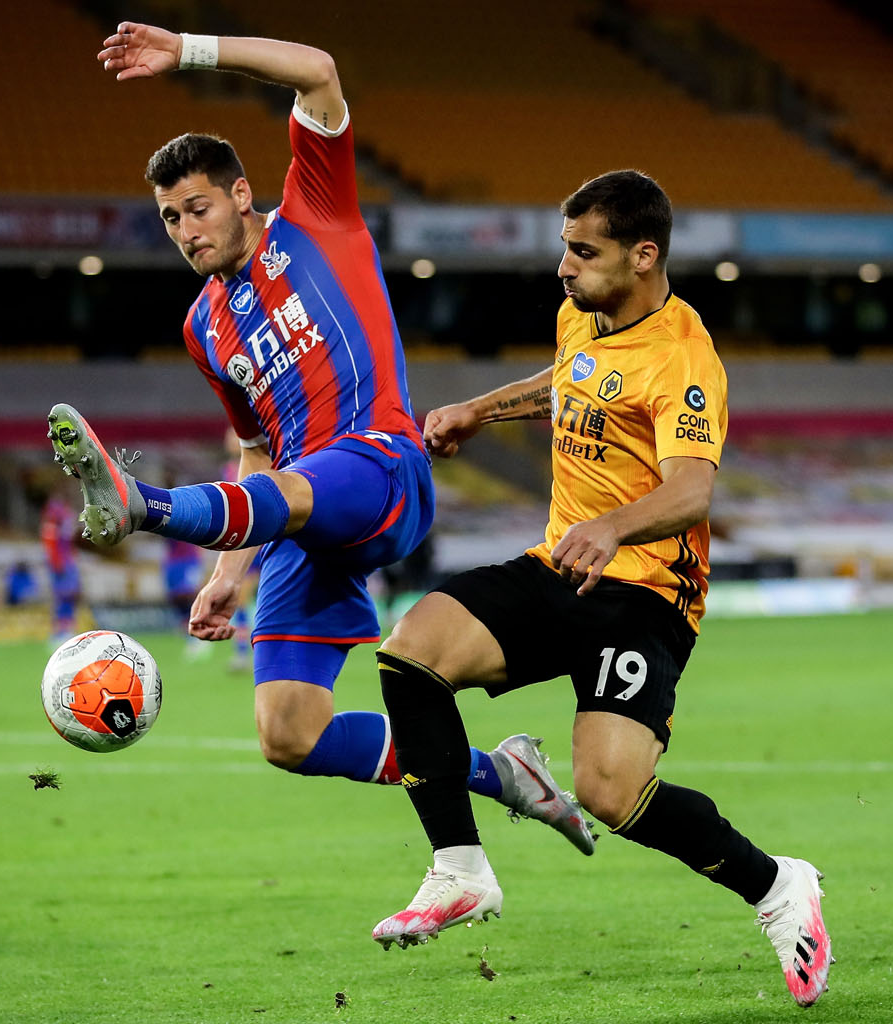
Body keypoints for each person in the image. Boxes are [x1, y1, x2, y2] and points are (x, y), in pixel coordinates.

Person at [44, 23, 592, 855]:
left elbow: (319, 71)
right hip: (301, 507)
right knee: (289, 733)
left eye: (197, 207)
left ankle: (140, 504)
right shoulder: (205, 327)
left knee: (296, 491)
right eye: (168, 220)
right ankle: (507, 774)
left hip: (380, 466)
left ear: (240, 194)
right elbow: (258, 449)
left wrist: (187, 51)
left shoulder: (317, 216)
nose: (186, 230)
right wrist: (230, 575)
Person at [368, 171, 833, 1007]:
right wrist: (481, 407)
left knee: (609, 792)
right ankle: (460, 870)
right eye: (564, 249)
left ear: (643, 255)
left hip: (646, 595)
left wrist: (615, 527)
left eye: (584, 252)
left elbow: (692, 491)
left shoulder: (686, 361)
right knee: (411, 653)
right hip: (561, 567)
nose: (564, 268)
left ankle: (777, 886)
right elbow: (570, 380)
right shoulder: (583, 314)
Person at [40, 492, 82, 641]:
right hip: (61, 566)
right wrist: (58, 565)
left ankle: (67, 629)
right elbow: (51, 549)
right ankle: (59, 632)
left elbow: (70, 543)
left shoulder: (65, 522)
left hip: (68, 564)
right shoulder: (51, 528)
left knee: (70, 597)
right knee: (62, 597)